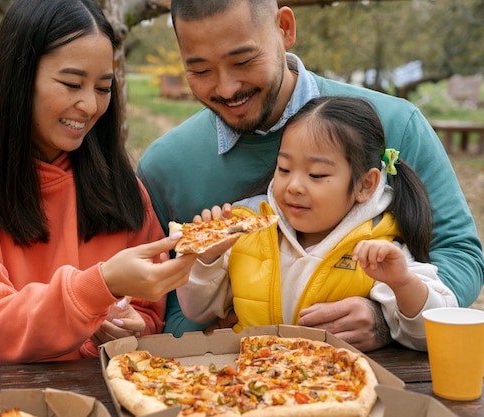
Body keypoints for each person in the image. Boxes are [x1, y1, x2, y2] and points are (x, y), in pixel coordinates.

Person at [136, 0, 484, 351]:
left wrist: (385, 319)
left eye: (243, 61)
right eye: (200, 70)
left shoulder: (397, 124)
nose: (226, 88)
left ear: (285, 28)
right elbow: (166, 309)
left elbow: (459, 254)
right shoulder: (165, 167)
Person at [0, 0, 197, 370]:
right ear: (18, 75)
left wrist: (127, 329)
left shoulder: (116, 184)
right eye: (72, 83)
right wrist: (100, 286)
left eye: (103, 88)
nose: (90, 105)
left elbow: (146, 310)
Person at [176, 96, 458, 351]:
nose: (294, 186)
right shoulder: (246, 228)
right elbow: (196, 311)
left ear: (365, 184)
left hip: (334, 388)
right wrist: (206, 259)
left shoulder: (379, 247)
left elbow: (429, 333)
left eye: (317, 175)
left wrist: (402, 283)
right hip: (250, 379)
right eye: (284, 169)